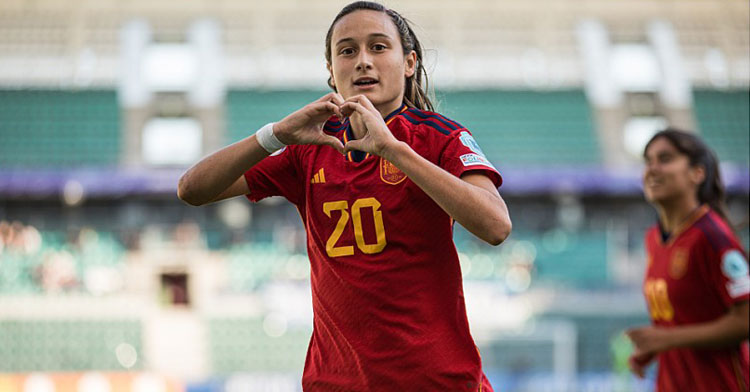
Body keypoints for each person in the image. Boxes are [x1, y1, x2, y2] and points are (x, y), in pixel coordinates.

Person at [178, 2, 511, 391]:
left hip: (437, 382)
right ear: (331, 71)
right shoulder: (311, 147)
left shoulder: (439, 136)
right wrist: (276, 135)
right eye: (347, 50)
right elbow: (192, 190)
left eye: (379, 47)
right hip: (334, 383)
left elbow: (496, 225)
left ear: (409, 62)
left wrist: (394, 151)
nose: (363, 61)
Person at [626, 129, 749, 391]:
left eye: (665, 159)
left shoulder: (713, 237)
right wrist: (654, 347)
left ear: (697, 173)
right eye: (648, 161)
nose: (652, 169)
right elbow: (681, 320)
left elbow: (745, 319)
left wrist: (667, 339)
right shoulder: (653, 239)